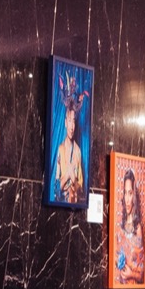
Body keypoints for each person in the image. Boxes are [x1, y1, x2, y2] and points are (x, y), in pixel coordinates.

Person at [52, 75, 87, 204]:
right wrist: (67, 175)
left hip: (74, 202)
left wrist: (74, 179)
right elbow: (55, 188)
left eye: (74, 121)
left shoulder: (78, 151)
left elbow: (81, 189)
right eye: (70, 121)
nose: (72, 126)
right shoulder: (60, 149)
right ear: (65, 122)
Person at [114, 168, 145, 285]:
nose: (127, 199)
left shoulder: (138, 229)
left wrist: (131, 274)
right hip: (119, 285)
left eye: (130, 193)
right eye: (125, 193)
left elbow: (141, 274)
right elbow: (114, 256)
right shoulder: (120, 228)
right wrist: (119, 262)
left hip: (133, 287)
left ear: (134, 196)